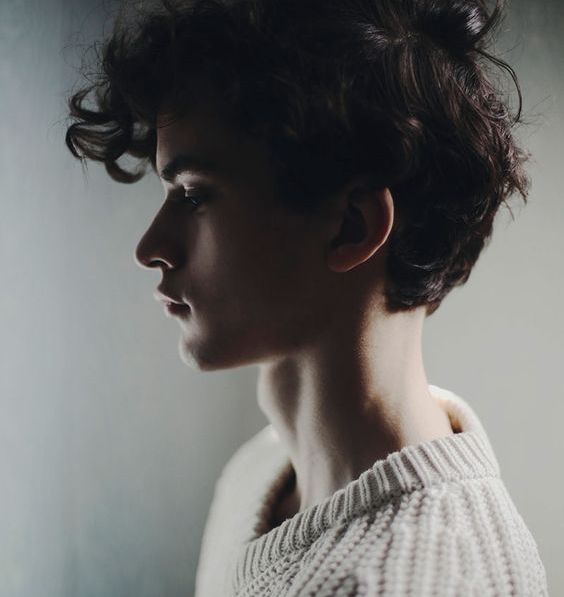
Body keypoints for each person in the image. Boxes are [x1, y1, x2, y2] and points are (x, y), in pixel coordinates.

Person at [64, 0, 549, 594]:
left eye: (193, 195)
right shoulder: (260, 473)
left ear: (350, 227)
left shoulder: (414, 581)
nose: (150, 247)